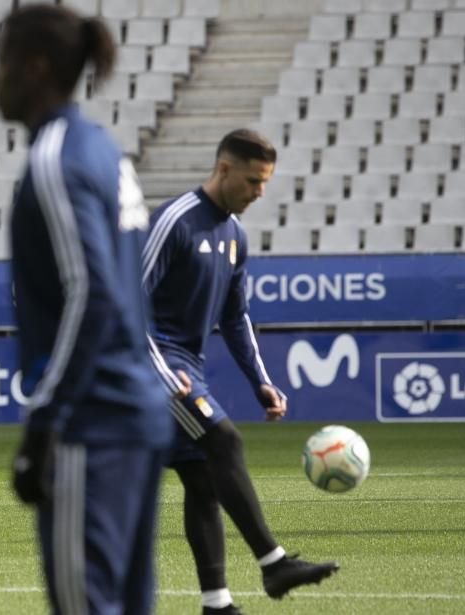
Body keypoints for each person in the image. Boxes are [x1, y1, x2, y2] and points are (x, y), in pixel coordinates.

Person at [0, 5, 173, 613]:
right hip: (135, 414)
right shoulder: (100, 148)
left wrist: (44, 420)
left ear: (34, 68)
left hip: (90, 423)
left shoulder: (55, 161)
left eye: (1, 61)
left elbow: (91, 293)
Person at [142, 129, 340, 614]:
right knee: (224, 441)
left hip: (186, 367)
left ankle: (217, 603)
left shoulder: (235, 237)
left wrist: (261, 382)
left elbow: (236, 317)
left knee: (202, 478)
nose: (260, 193)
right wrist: (158, 372)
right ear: (224, 169)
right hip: (150, 368)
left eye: (265, 182)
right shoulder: (174, 221)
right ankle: (274, 565)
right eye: (254, 181)